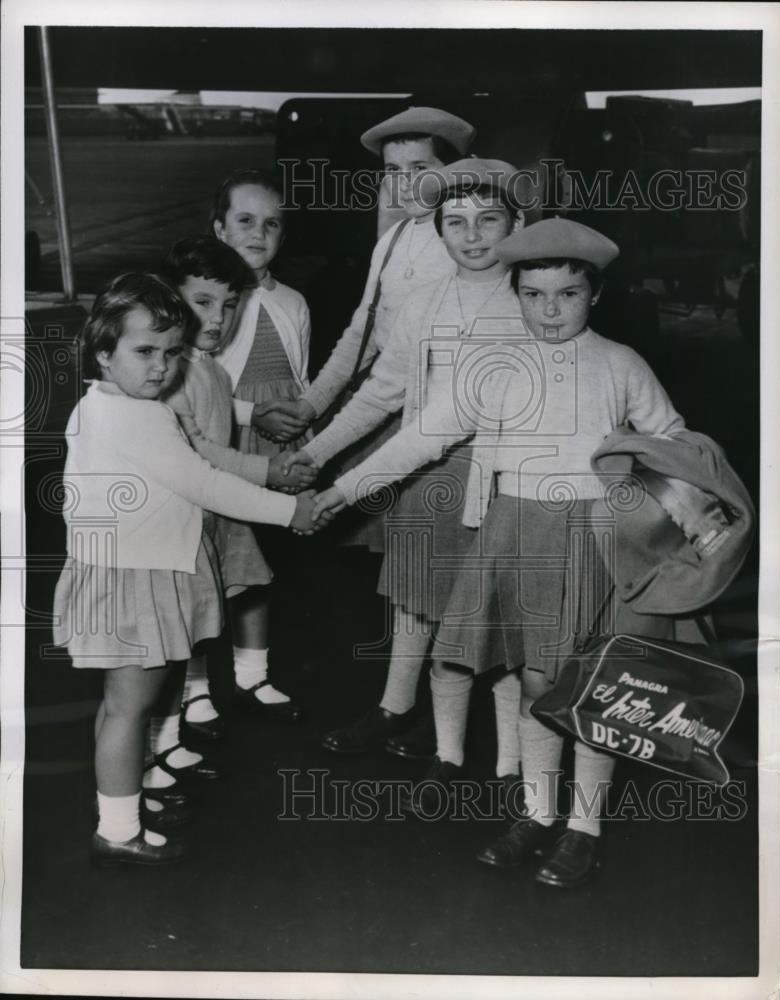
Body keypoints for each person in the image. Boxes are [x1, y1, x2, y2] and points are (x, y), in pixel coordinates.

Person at [311, 217, 694, 887]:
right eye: (533, 294)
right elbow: (422, 435)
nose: (549, 310)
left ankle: (583, 828)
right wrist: (339, 492)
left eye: (567, 294)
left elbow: (674, 439)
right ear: (513, 292)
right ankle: (538, 813)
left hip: (598, 538)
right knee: (535, 683)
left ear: (593, 294)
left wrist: (684, 509)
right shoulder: (490, 366)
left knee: (592, 687)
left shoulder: (621, 363)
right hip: (515, 533)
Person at [51, 273, 320, 866]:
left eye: (172, 353)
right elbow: (203, 481)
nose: (160, 368)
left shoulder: (99, 404)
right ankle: (117, 830)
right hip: (137, 578)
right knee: (130, 707)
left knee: (125, 704)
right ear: (103, 352)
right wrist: (289, 509)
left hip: (123, 571)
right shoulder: (141, 419)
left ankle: (131, 795)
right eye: (144, 352)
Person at [286, 160, 525, 769]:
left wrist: (342, 486)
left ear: (516, 223)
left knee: (486, 613)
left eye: (488, 220)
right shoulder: (425, 300)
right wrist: (313, 453)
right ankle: (398, 706)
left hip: (495, 477)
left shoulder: (530, 302)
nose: (472, 237)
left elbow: (446, 419)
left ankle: (488, 743)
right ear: (438, 231)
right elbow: (381, 391)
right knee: (415, 598)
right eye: (456, 223)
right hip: (422, 471)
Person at [286, 106, 477, 555]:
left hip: (445, 434)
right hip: (386, 418)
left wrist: (321, 446)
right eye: (392, 170)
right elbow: (363, 333)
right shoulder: (394, 239)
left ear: (455, 172)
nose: (404, 183)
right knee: (398, 568)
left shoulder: (470, 248)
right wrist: (310, 406)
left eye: (420, 169)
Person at [160, 236, 317, 744]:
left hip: (221, 503)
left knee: (250, 584)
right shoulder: (169, 370)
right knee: (196, 604)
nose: (217, 319)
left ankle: (252, 677)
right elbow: (200, 449)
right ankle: (195, 689)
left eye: (228, 307)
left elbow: (224, 413)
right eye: (202, 303)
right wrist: (268, 475)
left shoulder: (212, 367)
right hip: (187, 508)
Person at [211, 169, 313, 720]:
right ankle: (196, 688)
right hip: (225, 437)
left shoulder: (294, 301)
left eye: (271, 223)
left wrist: (300, 425)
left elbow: (300, 376)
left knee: (260, 565)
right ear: (219, 228)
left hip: (281, 438)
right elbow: (194, 395)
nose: (258, 232)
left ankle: (253, 675)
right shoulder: (207, 299)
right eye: (245, 220)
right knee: (209, 566)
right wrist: (254, 414)